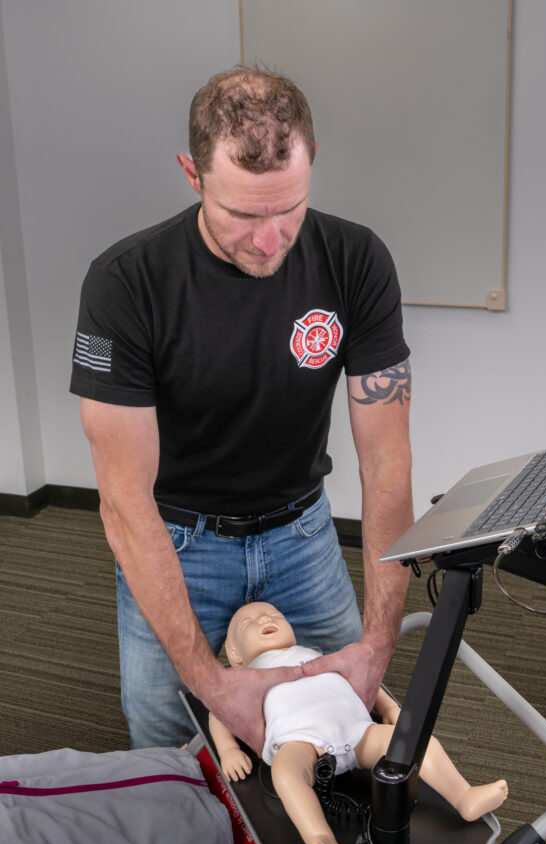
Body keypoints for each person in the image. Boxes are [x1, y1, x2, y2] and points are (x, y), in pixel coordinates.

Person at [69, 66, 413, 754]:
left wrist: (378, 643)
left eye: (289, 209)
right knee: (171, 745)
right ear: (192, 177)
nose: (268, 238)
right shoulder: (126, 283)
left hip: (304, 537)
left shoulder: (357, 260)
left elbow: (386, 464)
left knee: (345, 729)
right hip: (177, 542)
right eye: (244, 214)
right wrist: (211, 683)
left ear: (311, 164)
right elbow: (124, 505)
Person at [209, 603, 509, 844]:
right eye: (250, 623)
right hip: (299, 740)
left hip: (357, 730)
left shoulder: (314, 655)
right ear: (235, 654)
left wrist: (390, 706)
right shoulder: (241, 676)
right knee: (286, 776)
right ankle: (321, 838)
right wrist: (227, 750)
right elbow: (217, 712)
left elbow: (358, 679)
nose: (265, 619)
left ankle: (464, 796)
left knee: (419, 744)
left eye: (274, 615)